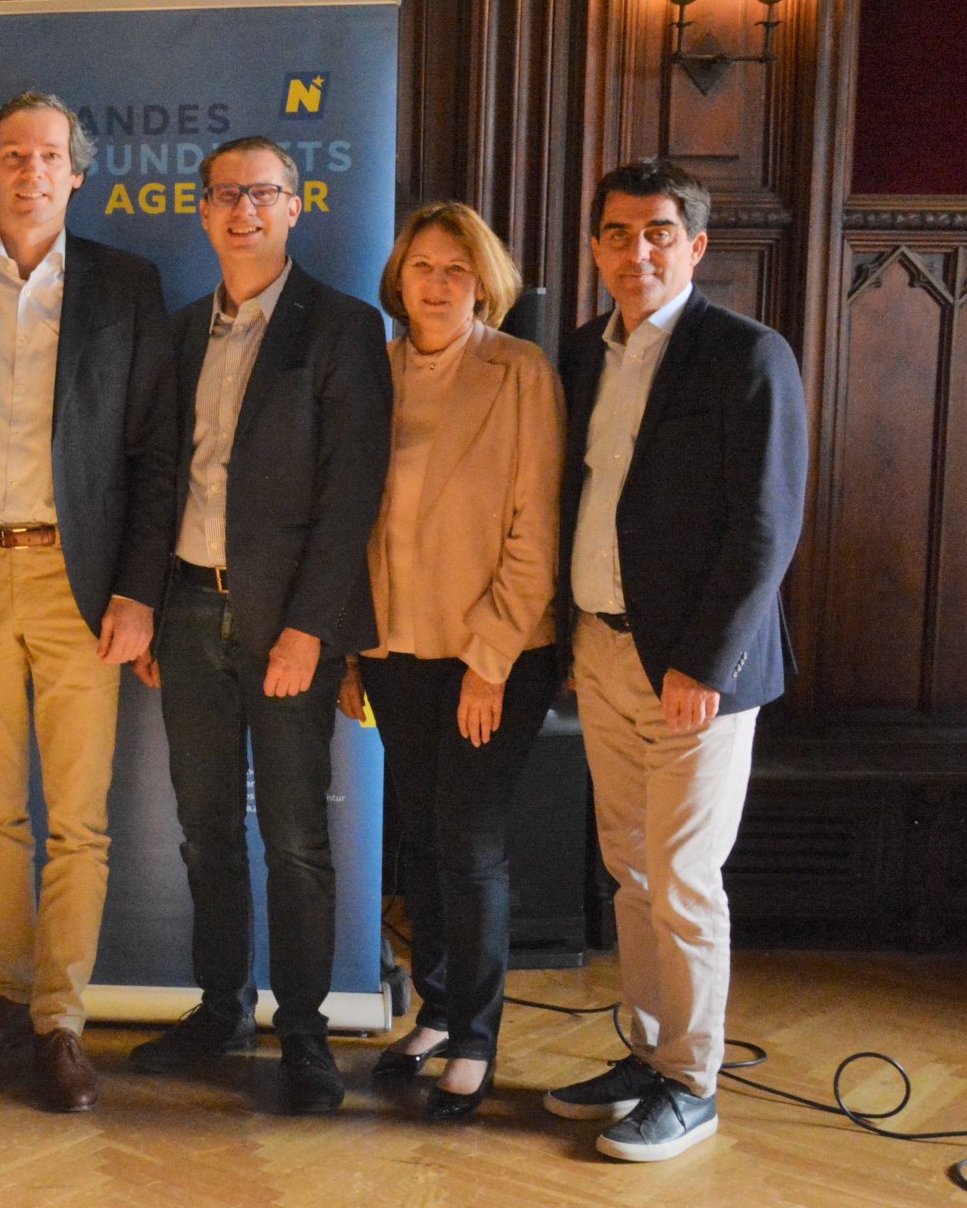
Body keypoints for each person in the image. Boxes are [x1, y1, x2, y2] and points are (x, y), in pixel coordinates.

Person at [0, 91, 174, 1112]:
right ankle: (8, 998)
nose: (28, 171)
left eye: (47, 156)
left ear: (75, 174)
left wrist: (137, 593)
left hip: (80, 581)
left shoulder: (125, 287)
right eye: (11, 155)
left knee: (82, 821)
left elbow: (152, 457)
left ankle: (60, 1020)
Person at [542, 159, 806, 1161]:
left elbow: (765, 529)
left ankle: (691, 1083)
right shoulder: (579, 354)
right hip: (600, 651)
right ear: (596, 248)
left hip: (697, 670)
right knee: (630, 872)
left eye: (656, 232)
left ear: (693, 246)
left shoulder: (744, 354)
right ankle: (647, 1055)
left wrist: (701, 662)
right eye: (615, 233)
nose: (634, 250)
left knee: (683, 877)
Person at [128, 136, 390, 1114]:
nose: (242, 209)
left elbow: (349, 490)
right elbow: (156, 477)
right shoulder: (179, 329)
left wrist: (309, 630)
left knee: (293, 838)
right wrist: (150, 607)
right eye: (224, 194)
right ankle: (219, 1007)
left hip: (287, 624)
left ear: (295, 208)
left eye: (263, 193)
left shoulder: (340, 327)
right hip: (188, 608)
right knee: (203, 829)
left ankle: (305, 1031)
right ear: (201, 212)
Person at [335, 202, 565, 1120]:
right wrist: (356, 649)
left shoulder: (519, 372)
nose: (436, 284)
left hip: (490, 657)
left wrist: (491, 660)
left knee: (470, 845)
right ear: (400, 278)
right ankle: (435, 1009)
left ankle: (476, 1035)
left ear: (485, 283)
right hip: (394, 648)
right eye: (423, 266)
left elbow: (535, 527)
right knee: (423, 838)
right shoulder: (375, 372)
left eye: (456, 270)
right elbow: (357, 521)